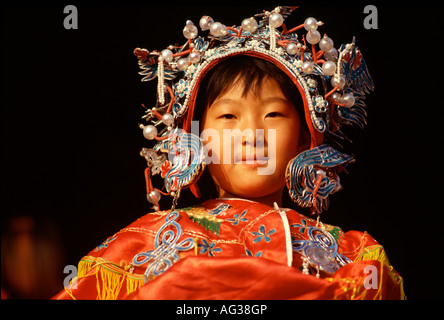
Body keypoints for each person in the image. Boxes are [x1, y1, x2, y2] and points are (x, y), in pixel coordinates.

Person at [54, 6, 404, 300]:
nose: (251, 135)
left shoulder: (353, 255)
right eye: (228, 116)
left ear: (304, 138)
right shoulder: (137, 247)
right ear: (195, 139)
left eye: (273, 114)